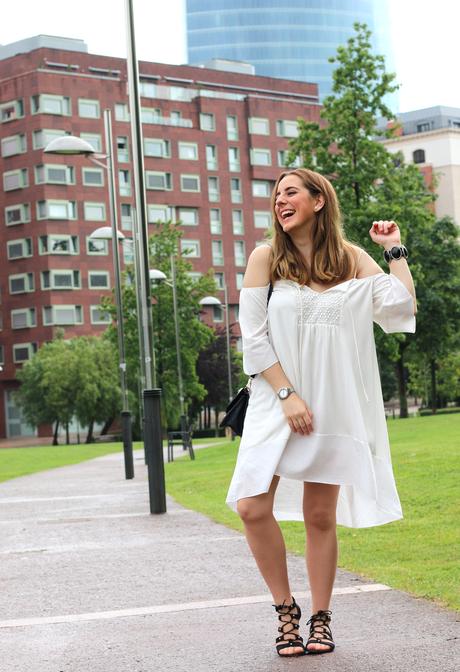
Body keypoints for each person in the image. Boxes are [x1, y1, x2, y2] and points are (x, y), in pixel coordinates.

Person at [226, 169, 417, 657]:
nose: (279, 201)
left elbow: (398, 309)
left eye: (289, 192)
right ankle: (285, 609)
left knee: (318, 515)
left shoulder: (351, 257)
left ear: (318, 200)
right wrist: (288, 396)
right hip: (276, 398)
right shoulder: (265, 257)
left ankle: (320, 619)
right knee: (251, 504)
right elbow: (252, 335)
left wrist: (395, 249)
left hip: (332, 402)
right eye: (275, 196)